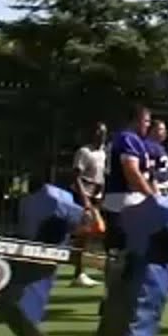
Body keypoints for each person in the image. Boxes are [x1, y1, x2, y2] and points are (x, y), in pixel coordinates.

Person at [100, 106, 157, 309]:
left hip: (123, 202)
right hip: (124, 203)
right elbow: (131, 171)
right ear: (136, 120)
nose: (148, 125)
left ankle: (114, 296)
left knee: (118, 253)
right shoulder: (127, 139)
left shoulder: (132, 141)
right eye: (146, 121)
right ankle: (116, 297)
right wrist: (152, 197)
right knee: (124, 253)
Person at [69, 122, 108, 288]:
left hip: (96, 196)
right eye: (98, 133)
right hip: (83, 194)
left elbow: (101, 176)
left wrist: (99, 197)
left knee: (95, 232)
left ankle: (82, 269)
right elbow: (76, 176)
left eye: (104, 133)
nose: (101, 136)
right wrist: (84, 199)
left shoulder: (103, 153)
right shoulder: (84, 152)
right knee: (82, 234)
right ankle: (78, 273)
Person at [145, 119, 168, 198]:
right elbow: (150, 171)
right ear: (152, 130)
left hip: (163, 188)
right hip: (156, 188)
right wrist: (156, 193)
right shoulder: (148, 146)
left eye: (165, 129)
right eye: (161, 129)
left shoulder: (159, 147)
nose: (164, 132)